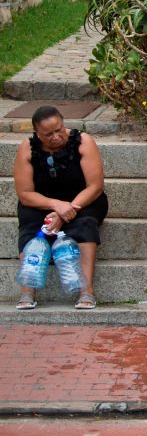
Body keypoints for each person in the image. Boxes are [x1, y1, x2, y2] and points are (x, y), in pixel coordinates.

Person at [13, 106, 108, 310]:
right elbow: (25, 193)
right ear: (37, 134)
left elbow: (95, 186)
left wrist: (66, 212)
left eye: (59, 129)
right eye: (48, 134)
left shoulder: (83, 142)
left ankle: (86, 290)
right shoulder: (27, 148)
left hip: (83, 201)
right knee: (30, 222)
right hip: (44, 203)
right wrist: (56, 206)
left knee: (84, 225)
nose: (56, 136)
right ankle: (27, 289)